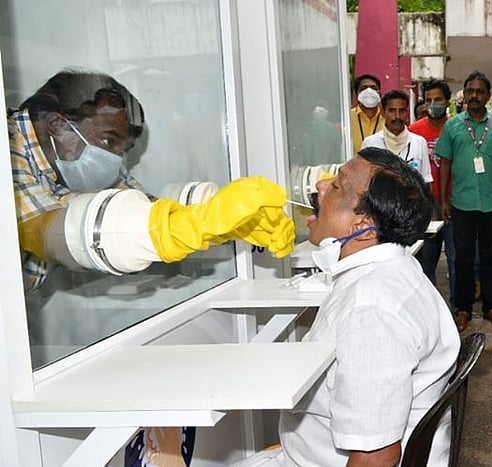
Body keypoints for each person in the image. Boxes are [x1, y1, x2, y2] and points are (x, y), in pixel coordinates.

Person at [12, 70, 294, 467]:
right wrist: (174, 230)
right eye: (109, 142)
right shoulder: (9, 147)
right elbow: (43, 230)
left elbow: (138, 205)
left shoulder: (78, 147)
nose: (114, 160)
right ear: (58, 124)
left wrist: (218, 224)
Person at [238, 148, 459, 466]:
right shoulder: (393, 271)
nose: (321, 185)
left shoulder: (371, 311)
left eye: (338, 185)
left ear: (364, 226)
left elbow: (375, 459)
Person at [436, 71, 492, 332]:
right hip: (461, 202)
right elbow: (444, 164)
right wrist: (444, 200)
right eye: (470, 91)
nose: (474, 96)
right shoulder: (453, 126)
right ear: (464, 94)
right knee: (462, 258)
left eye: (480, 91)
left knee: (490, 257)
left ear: (488, 95)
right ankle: (463, 308)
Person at [409, 79, 456, 307]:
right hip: (426, 208)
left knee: (457, 261)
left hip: (455, 205)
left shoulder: (456, 127)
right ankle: (430, 308)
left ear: (447, 101)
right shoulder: (414, 131)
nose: (433, 104)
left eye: (437, 99)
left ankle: (458, 308)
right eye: (428, 100)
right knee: (426, 262)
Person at [361, 90, 432, 187]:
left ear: (407, 112)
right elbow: (363, 182)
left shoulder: (419, 143)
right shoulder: (370, 143)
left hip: (412, 201)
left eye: (402, 111)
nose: (397, 116)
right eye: (392, 111)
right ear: (383, 112)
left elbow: (426, 181)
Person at [349, 74, 385, 154]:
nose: (369, 91)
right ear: (356, 94)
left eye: (374, 88)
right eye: (363, 88)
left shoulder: (388, 119)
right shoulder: (348, 118)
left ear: (380, 94)